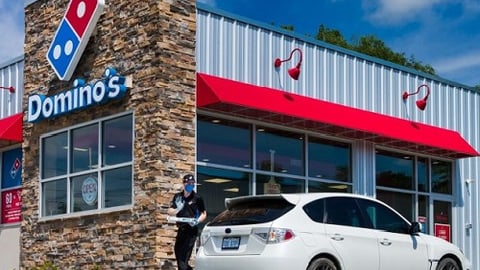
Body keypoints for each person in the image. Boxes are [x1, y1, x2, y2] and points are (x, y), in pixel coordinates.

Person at [168, 174, 207, 270]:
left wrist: (197, 221)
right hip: (181, 229)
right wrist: (178, 209)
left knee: (184, 258)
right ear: (184, 183)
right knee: (178, 254)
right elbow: (170, 211)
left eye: (193, 183)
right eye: (189, 183)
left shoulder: (197, 198)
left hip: (191, 230)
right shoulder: (178, 197)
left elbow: (204, 214)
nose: (191, 185)